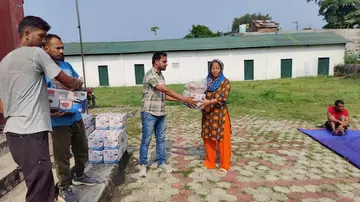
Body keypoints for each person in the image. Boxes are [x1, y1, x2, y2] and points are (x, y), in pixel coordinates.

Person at [0, 16, 83, 202]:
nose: (43, 41)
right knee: (39, 188)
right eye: (41, 36)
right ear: (27, 34)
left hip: (14, 133)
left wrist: (45, 110)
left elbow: (3, 104)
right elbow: (66, 81)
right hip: (31, 132)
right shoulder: (36, 54)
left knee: (38, 182)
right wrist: (78, 84)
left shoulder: (4, 61)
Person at [43, 34, 97, 202]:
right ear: (46, 49)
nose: (61, 51)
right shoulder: (43, 70)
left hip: (75, 116)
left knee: (82, 149)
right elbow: (42, 94)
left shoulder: (66, 66)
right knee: (62, 157)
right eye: (57, 48)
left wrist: (80, 84)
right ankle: (64, 187)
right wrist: (48, 111)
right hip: (59, 122)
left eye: (62, 47)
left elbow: (76, 82)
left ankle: (79, 175)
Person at [139, 52, 198, 177]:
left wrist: (182, 100)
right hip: (149, 113)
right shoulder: (150, 75)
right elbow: (164, 90)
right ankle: (143, 165)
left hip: (161, 113)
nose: (166, 63)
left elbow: (163, 96)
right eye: (164, 61)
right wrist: (183, 98)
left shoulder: (161, 76)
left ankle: (161, 162)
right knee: (146, 140)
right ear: (156, 62)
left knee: (161, 140)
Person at [200, 59, 232, 176]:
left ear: (221, 69)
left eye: (217, 68)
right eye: (213, 68)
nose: (215, 70)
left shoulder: (225, 82)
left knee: (223, 140)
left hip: (220, 115)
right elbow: (200, 93)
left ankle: (225, 165)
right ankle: (210, 162)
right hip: (208, 114)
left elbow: (222, 98)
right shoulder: (206, 82)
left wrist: (209, 102)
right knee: (208, 138)